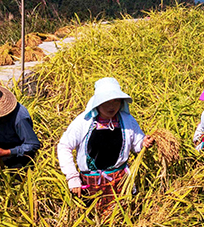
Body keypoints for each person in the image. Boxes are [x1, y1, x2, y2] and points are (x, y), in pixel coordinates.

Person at [57, 77, 152, 216]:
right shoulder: (84, 121)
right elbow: (64, 146)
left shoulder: (126, 119)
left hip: (120, 181)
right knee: (93, 223)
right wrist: (72, 177)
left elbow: (136, 143)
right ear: (98, 103)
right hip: (91, 183)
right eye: (106, 102)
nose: (111, 106)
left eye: (116, 101)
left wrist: (144, 143)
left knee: (122, 220)